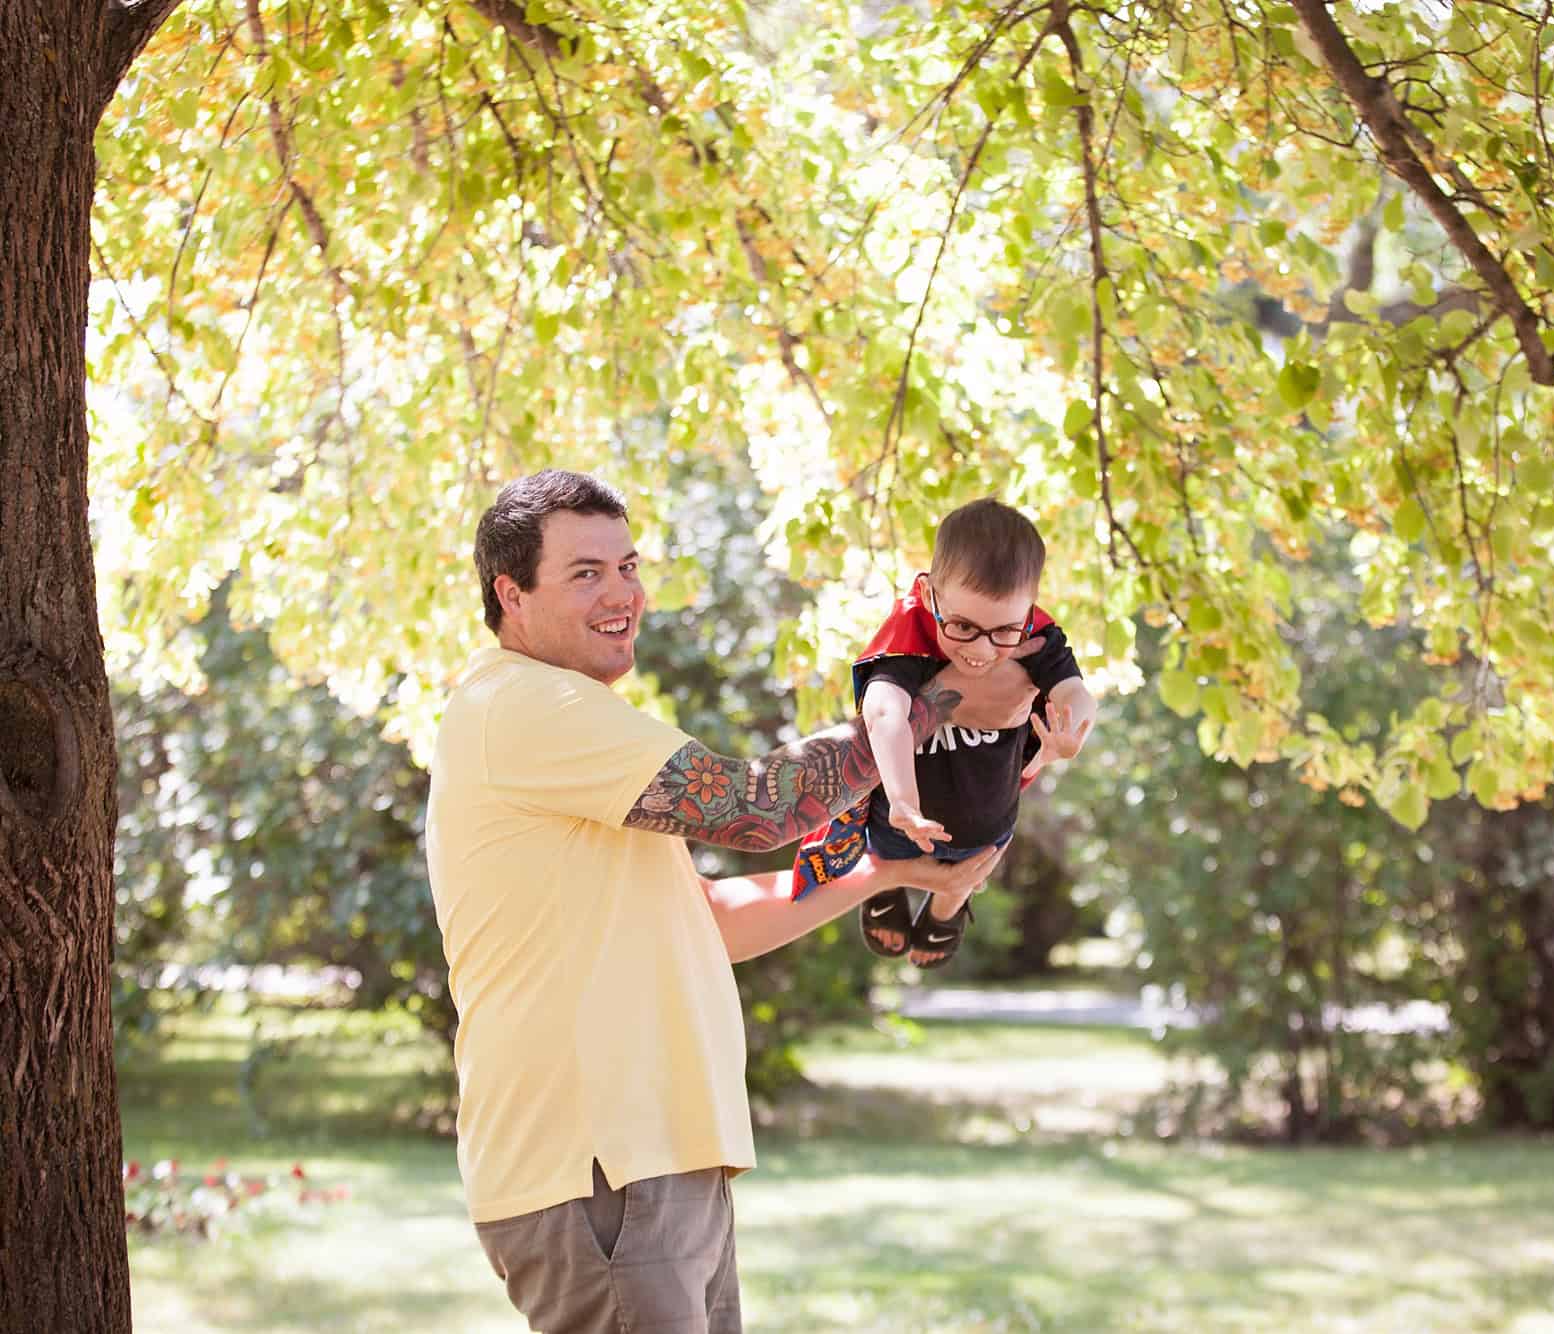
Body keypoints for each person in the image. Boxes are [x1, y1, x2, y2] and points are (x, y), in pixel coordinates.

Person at [424, 470, 1037, 1333]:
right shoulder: (525, 704)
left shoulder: (570, 729)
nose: (622, 594)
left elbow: (704, 920)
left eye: (628, 567)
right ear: (510, 594)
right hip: (598, 1168)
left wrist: (885, 873)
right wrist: (931, 703)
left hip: (659, 1164)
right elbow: (758, 806)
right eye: (586, 573)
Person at [789, 498, 1097, 969]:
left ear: (1028, 608)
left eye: (1004, 631)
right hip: (900, 821)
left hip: (987, 820)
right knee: (889, 859)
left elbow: (1075, 689)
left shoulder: (1038, 633)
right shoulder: (910, 630)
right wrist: (903, 801)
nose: (982, 649)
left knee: (972, 869)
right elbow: (884, 712)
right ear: (931, 594)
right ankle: (886, 889)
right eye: (963, 626)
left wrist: (1072, 727)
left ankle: (947, 910)